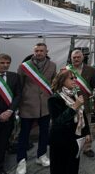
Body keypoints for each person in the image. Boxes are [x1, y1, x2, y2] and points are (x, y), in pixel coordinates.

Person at [16, 43, 57, 174]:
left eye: (41, 51)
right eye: (36, 51)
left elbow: (53, 84)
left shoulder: (53, 65)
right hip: (27, 105)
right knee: (24, 135)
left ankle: (41, 155)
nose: (39, 53)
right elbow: (19, 86)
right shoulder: (24, 66)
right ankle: (21, 161)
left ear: (46, 51)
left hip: (45, 106)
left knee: (44, 133)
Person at [48, 68, 90, 174]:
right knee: (60, 168)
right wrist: (74, 106)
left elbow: (82, 115)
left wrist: (87, 132)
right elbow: (58, 122)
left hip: (75, 138)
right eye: (71, 78)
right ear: (62, 80)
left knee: (73, 166)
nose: (74, 80)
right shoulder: (54, 98)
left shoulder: (74, 94)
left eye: (75, 78)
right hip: (60, 140)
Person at [66, 49, 95, 157]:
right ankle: (72, 147)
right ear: (71, 58)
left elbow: (94, 85)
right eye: (74, 57)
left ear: (83, 57)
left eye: (78, 57)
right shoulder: (65, 70)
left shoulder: (91, 70)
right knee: (72, 127)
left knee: (87, 126)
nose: (76, 59)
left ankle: (87, 148)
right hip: (71, 104)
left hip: (86, 103)